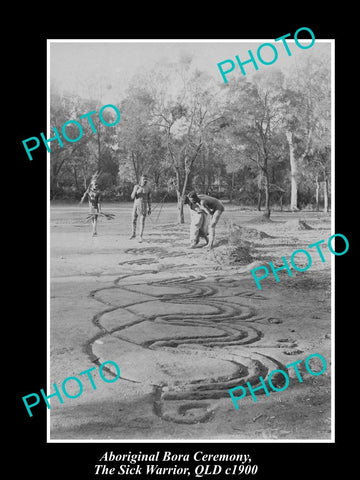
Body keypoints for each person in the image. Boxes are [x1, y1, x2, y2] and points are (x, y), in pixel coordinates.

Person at [129, 175, 152, 243]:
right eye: (143, 179)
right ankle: (133, 234)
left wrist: (150, 208)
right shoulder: (136, 186)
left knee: (142, 221)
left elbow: (149, 199)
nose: (145, 181)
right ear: (141, 180)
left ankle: (140, 236)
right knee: (133, 219)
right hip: (136, 205)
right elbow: (132, 197)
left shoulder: (148, 188)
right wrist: (136, 192)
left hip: (144, 205)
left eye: (146, 179)